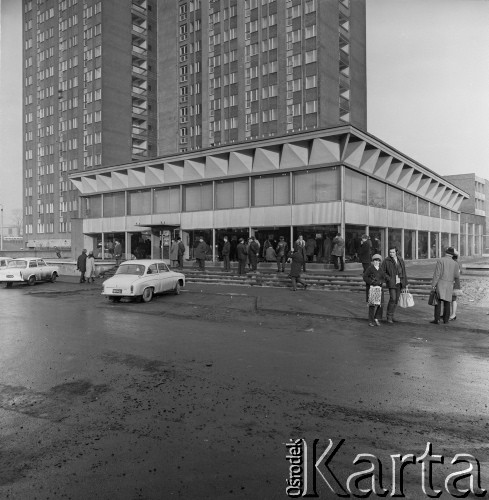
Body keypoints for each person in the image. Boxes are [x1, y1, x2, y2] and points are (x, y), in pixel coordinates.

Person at [430, 247, 460, 325]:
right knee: (447, 303)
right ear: (452, 255)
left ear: (446, 253)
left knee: (438, 302)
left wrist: (433, 285)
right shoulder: (455, 263)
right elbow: (457, 275)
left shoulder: (440, 260)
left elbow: (437, 274)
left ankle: (437, 320)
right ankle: (446, 320)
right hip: (450, 285)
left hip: (440, 284)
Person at [381, 246, 408, 324]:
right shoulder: (386, 260)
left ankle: (392, 315)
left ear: (396, 252)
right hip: (392, 282)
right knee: (393, 298)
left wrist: (405, 283)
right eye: (390, 252)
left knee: (396, 300)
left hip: (400, 282)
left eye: (393, 252)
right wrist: (388, 278)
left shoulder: (400, 259)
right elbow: (383, 271)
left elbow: (404, 271)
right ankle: (389, 317)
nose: (391, 254)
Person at [362, 254, 386, 327]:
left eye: (378, 260)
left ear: (380, 261)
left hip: (379, 289)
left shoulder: (381, 269)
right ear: (373, 261)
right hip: (372, 289)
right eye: (375, 260)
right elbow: (365, 277)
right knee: (372, 305)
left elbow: (384, 278)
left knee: (381, 304)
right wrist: (371, 282)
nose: (376, 262)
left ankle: (376, 318)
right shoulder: (370, 268)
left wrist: (381, 282)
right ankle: (371, 320)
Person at [449, 250, 462, 321]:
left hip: (454, 282)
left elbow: (456, 274)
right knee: (451, 299)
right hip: (453, 282)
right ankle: (451, 314)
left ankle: (453, 314)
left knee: (453, 299)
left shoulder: (455, 263)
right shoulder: (456, 262)